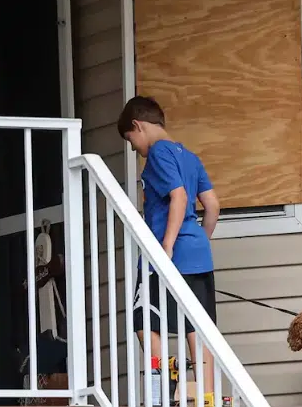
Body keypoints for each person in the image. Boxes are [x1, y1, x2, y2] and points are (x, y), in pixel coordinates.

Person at [117, 96, 220, 407]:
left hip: (166, 255)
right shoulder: (189, 156)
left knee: (143, 321)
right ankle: (206, 398)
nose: (135, 149)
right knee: (197, 329)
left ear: (137, 126)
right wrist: (197, 243)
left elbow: (177, 196)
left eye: (131, 141)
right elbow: (212, 206)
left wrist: (167, 247)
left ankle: (164, 382)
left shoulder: (159, 154)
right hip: (197, 254)